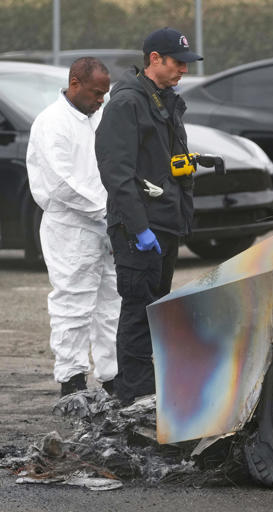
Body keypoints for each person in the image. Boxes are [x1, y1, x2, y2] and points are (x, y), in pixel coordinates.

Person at [95, 27, 203, 406]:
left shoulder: (165, 100)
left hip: (165, 223)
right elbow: (117, 174)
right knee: (138, 310)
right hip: (139, 227)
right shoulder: (127, 104)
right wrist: (139, 228)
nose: (183, 71)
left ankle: (149, 388)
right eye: (177, 63)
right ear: (154, 59)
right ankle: (135, 395)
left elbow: (167, 162)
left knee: (156, 308)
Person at [26, 57, 118, 397]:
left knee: (111, 303)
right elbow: (62, 183)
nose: (101, 100)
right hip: (71, 228)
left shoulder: (94, 119)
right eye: (96, 92)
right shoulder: (52, 123)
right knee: (73, 304)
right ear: (75, 83)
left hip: (104, 225)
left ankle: (112, 377)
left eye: (105, 94)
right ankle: (73, 382)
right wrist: (108, 211)